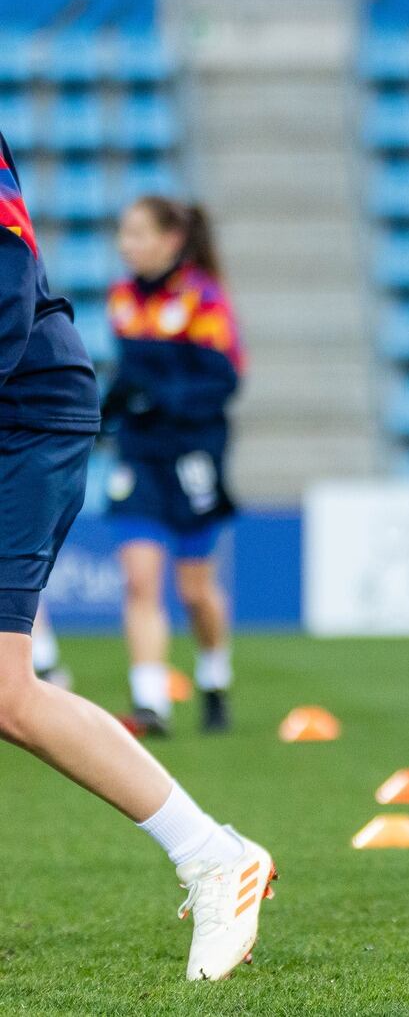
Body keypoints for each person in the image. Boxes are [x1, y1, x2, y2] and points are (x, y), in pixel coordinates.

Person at [0, 146, 273, 978]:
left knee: (9, 689)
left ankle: (213, 854)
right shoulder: (126, 298)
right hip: (91, 431)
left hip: (26, 423)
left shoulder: (199, 299)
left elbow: (9, 300)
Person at [101, 198, 245, 736]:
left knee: (194, 591)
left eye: (137, 233)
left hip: (193, 456)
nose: (125, 244)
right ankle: (150, 703)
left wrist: (161, 400)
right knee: (140, 582)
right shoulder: (121, 298)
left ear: (171, 240)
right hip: (139, 457)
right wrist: (106, 411)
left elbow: (224, 382)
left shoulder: (204, 300)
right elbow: (129, 379)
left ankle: (213, 676)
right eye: (123, 232)